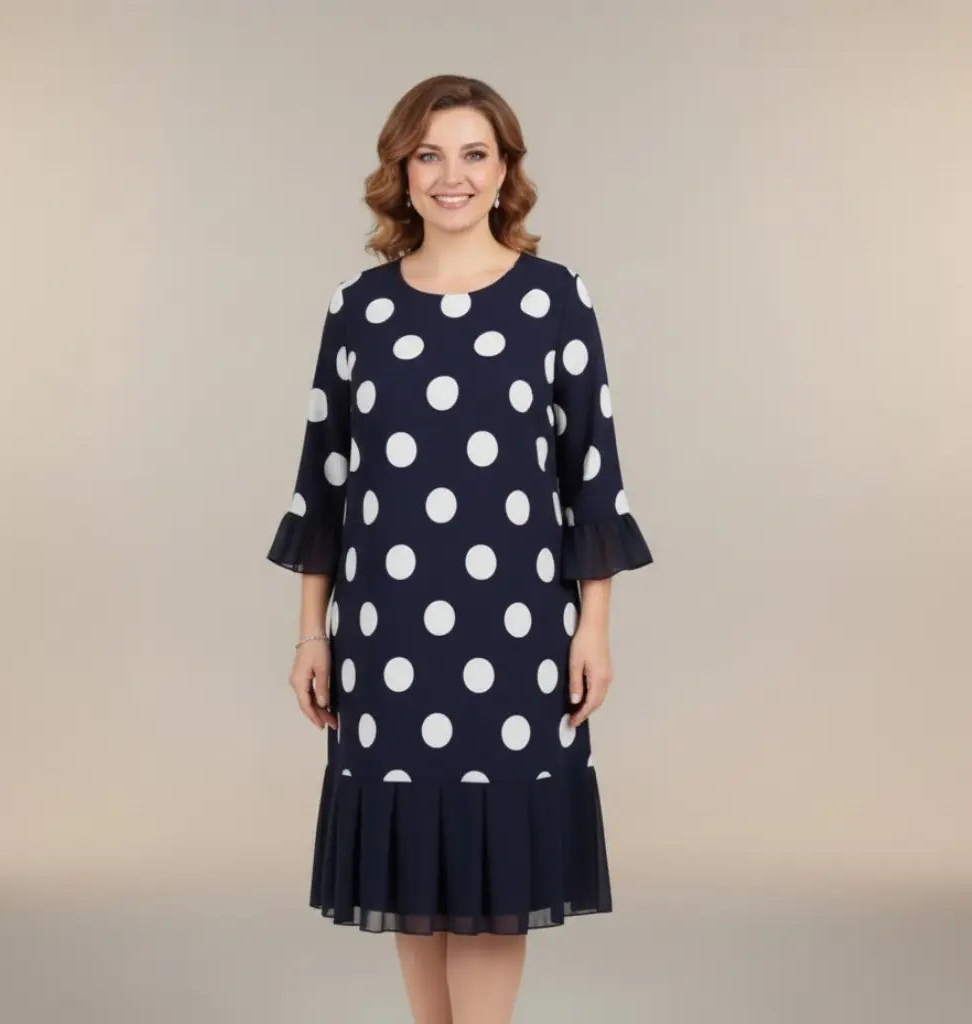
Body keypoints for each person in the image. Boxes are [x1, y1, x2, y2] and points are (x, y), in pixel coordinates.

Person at [265, 74, 653, 1024]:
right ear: (401, 171)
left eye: (475, 154)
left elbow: (593, 476)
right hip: (386, 632)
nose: (453, 175)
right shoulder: (358, 308)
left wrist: (593, 628)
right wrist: (312, 633)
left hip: (516, 632)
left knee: (493, 856)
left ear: (505, 169)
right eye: (429, 154)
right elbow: (324, 483)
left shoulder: (554, 300)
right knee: (413, 850)